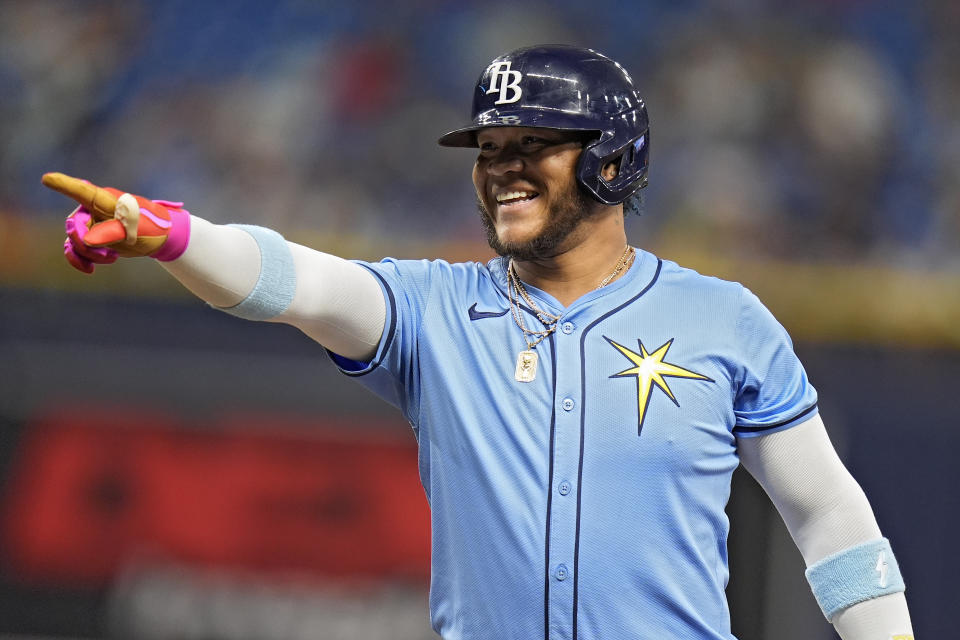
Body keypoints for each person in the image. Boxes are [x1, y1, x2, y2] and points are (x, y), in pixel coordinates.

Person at [47, 45, 914, 640]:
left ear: (611, 156)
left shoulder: (725, 319)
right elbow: (298, 282)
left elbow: (827, 512)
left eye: (530, 144)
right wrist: (174, 236)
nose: (500, 166)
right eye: (488, 148)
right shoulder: (436, 308)